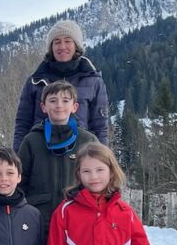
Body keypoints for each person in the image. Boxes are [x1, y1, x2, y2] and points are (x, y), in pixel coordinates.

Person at [17, 80, 99, 243]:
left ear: (75, 107)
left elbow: (101, 179)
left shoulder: (88, 141)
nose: (59, 105)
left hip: (79, 220)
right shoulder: (31, 140)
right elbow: (20, 180)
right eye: (53, 101)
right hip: (40, 220)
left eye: (65, 100)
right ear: (43, 107)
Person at [12, 19, 109, 151]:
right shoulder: (35, 81)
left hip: (80, 153)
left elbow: (100, 127)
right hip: (40, 153)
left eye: (67, 41)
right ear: (51, 48)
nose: (62, 46)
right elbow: (22, 124)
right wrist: (19, 157)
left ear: (76, 46)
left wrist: (101, 158)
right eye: (57, 42)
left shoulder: (93, 80)